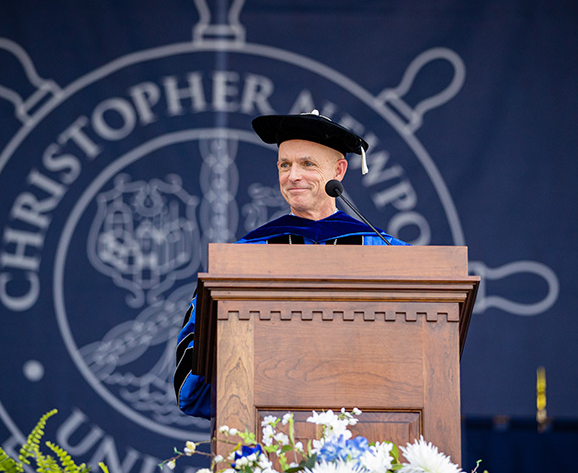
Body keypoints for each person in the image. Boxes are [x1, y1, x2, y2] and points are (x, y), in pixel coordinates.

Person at [174, 110, 408, 419]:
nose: (292, 175)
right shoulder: (244, 257)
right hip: (265, 427)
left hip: (367, 431)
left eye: (307, 164)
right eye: (285, 165)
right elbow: (195, 362)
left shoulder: (388, 254)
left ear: (339, 170)